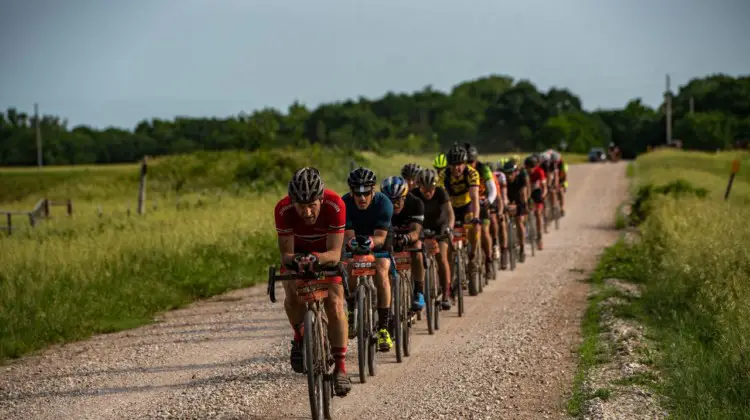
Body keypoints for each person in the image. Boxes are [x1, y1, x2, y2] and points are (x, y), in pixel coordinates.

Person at [273, 167, 351, 396]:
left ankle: (341, 369)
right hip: (297, 256)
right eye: (300, 206)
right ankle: (299, 337)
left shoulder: (335, 204)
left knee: (335, 304)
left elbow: (335, 253)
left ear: (321, 198)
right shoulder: (283, 209)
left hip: (326, 255)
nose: (307, 212)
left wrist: (316, 258)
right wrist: (298, 259)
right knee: (292, 296)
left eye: (312, 205)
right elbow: (285, 256)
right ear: (292, 202)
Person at [342, 167, 395, 352]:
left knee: (381, 269)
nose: (362, 198)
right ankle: (351, 308)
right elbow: (348, 236)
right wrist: (354, 243)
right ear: (351, 191)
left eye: (366, 193)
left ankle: (383, 328)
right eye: (358, 193)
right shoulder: (345, 203)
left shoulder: (384, 203)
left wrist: (371, 242)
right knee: (349, 265)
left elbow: (381, 237)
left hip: (379, 238)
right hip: (354, 238)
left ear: (373, 191)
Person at [437, 144, 482, 288]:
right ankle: (450, 275)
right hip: (450, 207)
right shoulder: (443, 176)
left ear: (465, 163)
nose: (457, 168)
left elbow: (475, 197)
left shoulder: (472, 173)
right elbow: (441, 200)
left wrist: (476, 217)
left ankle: (473, 256)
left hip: (467, 205)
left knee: (474, 226)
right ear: (449, 165)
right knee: (448, 239)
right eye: (454, 165)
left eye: (460, 164)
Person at [381, 176, 426, 311]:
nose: (394, 204)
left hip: (409, 235)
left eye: (398, 200)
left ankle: (419, 291)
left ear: (405, 197)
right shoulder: (380, 205)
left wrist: (406, 238)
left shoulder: (416, 203)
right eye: (390, 200)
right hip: (390, 237)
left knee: (417, 249)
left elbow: (416, 232)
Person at [412, 168, 455, 310]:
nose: (429, 192)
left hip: (440, 229)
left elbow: (450, 214)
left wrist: (449, 227)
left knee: (442, 258)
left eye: (431, 189)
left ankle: (446, 294)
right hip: (422, 229)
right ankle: (419, 291)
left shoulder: (441, 193)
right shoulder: (413, 195)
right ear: (419, 187)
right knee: (416, 255)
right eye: (425, 190)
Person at [464, 143, 499, 279]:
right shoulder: (462, 171)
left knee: (484, 231)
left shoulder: (483, 168)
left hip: (482, 202)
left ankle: (489, 259)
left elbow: (493, 189)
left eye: (471, 162)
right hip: (467, 204)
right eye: (467, 162)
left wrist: (488, 201)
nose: (469, 164)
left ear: (476, 160)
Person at [502, 160, 529, 262]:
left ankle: (522, 247)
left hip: (519, 200)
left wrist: (524, 205)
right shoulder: (503, 180)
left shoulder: (520, 179)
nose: (509, 176)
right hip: (508, 200)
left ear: (515, 172)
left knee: (519, 221)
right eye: (507, 173)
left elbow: (523, 194)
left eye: (511, 173)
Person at [525, 155, 547, 250]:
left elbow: (544, 187)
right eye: (528, 167)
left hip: (537, 192)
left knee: (538, 213)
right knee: (524, 212)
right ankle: (526, 232)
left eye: (532, 167)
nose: (530, 170)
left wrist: (543, 195)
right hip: (526, 193)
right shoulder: (524, 172)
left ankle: (539, 237)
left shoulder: (540, 171)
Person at [492, 160, 509, 269]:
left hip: (500, 201)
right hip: (488, 204)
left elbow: (502, 196)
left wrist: (502, 211)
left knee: (502, 224)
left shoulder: (500, 176)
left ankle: (504, 250)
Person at [551, 150, 568, 217]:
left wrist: (563, 185)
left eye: (556, 161)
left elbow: (565, 176)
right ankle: (553, 206)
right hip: (553, 180)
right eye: (553, 161)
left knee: (561, 192)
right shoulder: (550, 164)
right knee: (552, 191)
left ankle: (562, 208)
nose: (555, 163)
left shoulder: (563, 165)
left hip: (562, 180)